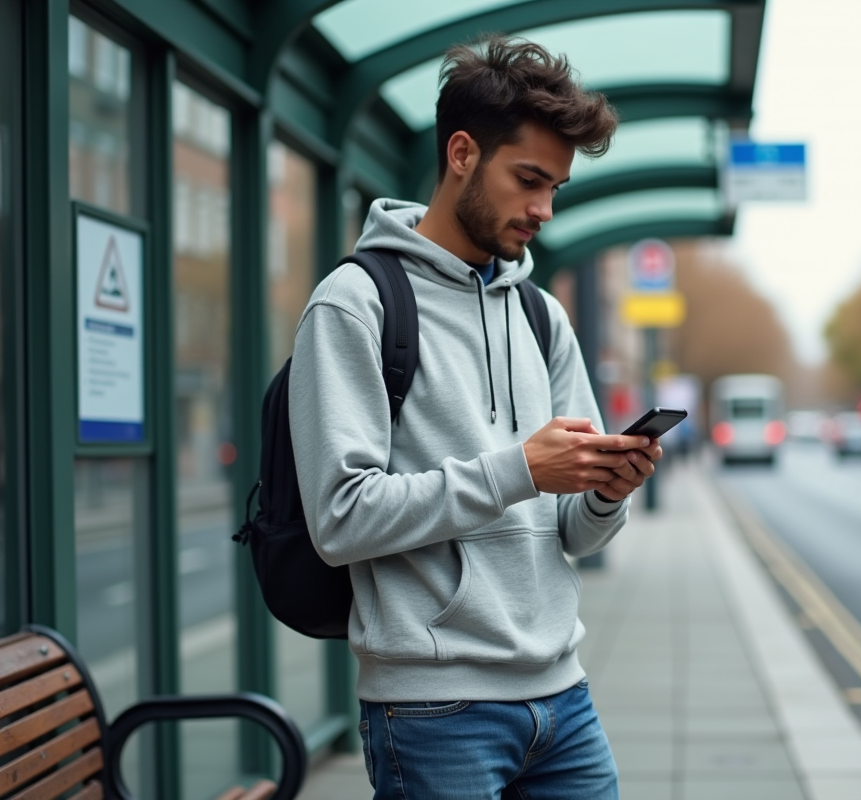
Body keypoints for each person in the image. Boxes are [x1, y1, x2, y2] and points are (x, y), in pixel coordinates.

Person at [288, 36, 659, 799]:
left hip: (564, 697)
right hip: (433, 709)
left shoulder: (542, 315)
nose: (543, 210)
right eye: (528, 180)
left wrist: (607, 492)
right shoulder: (354, 304)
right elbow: (340, 520)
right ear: (461, 153)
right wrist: (520, 469)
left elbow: (574, 534)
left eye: (554, 188)